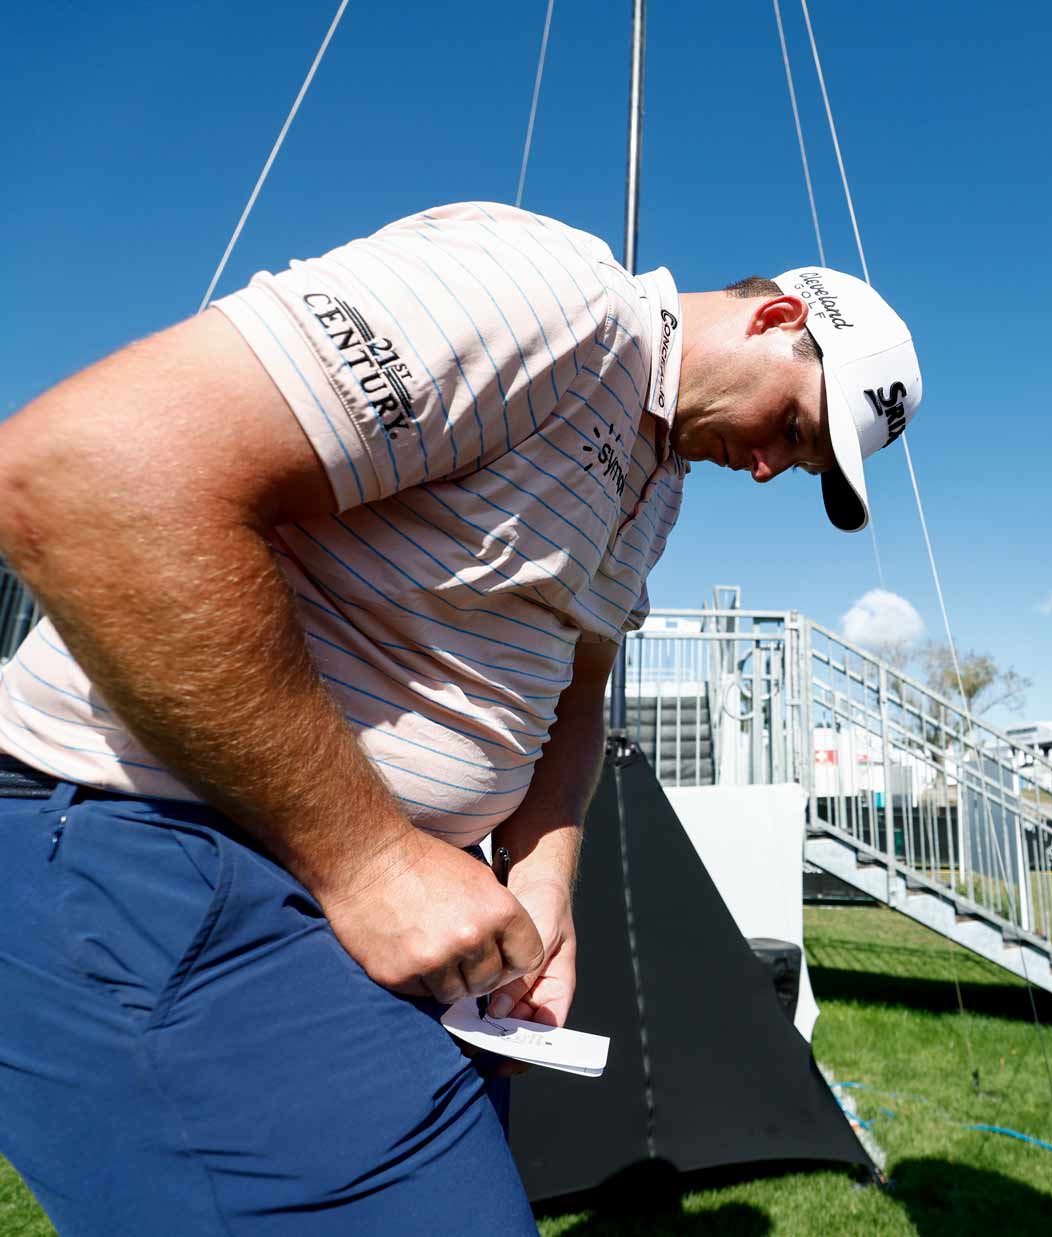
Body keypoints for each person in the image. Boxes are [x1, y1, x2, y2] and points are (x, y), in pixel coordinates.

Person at [0, 201, 921, 1234]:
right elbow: (88, 474)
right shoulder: (558, 299)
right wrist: (371, 860)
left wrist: (543, 879)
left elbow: (576, 688)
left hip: (349, 899)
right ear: (773, 317)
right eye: (792, 429)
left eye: (793, 468)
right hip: (161, 845)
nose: (764, 468)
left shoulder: (658, 478)